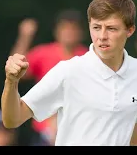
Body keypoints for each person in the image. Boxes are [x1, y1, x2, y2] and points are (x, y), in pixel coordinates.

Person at [1, 0, 137, 146]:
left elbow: (136, 139)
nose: (102, 36)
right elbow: (13, 119)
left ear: (130, 30)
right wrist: (11, 82)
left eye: (111, 28)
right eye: (96, 27)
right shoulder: (69, 71)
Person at [10, 11, 88, 145]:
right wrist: (25, 36)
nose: (69, 33)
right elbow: (16, 71)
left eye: (73, 29)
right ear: (57, 31)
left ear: (81, 33)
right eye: (65, 28)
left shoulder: (88, 57)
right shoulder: (43, 53)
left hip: (77, 130)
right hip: (44, 131)